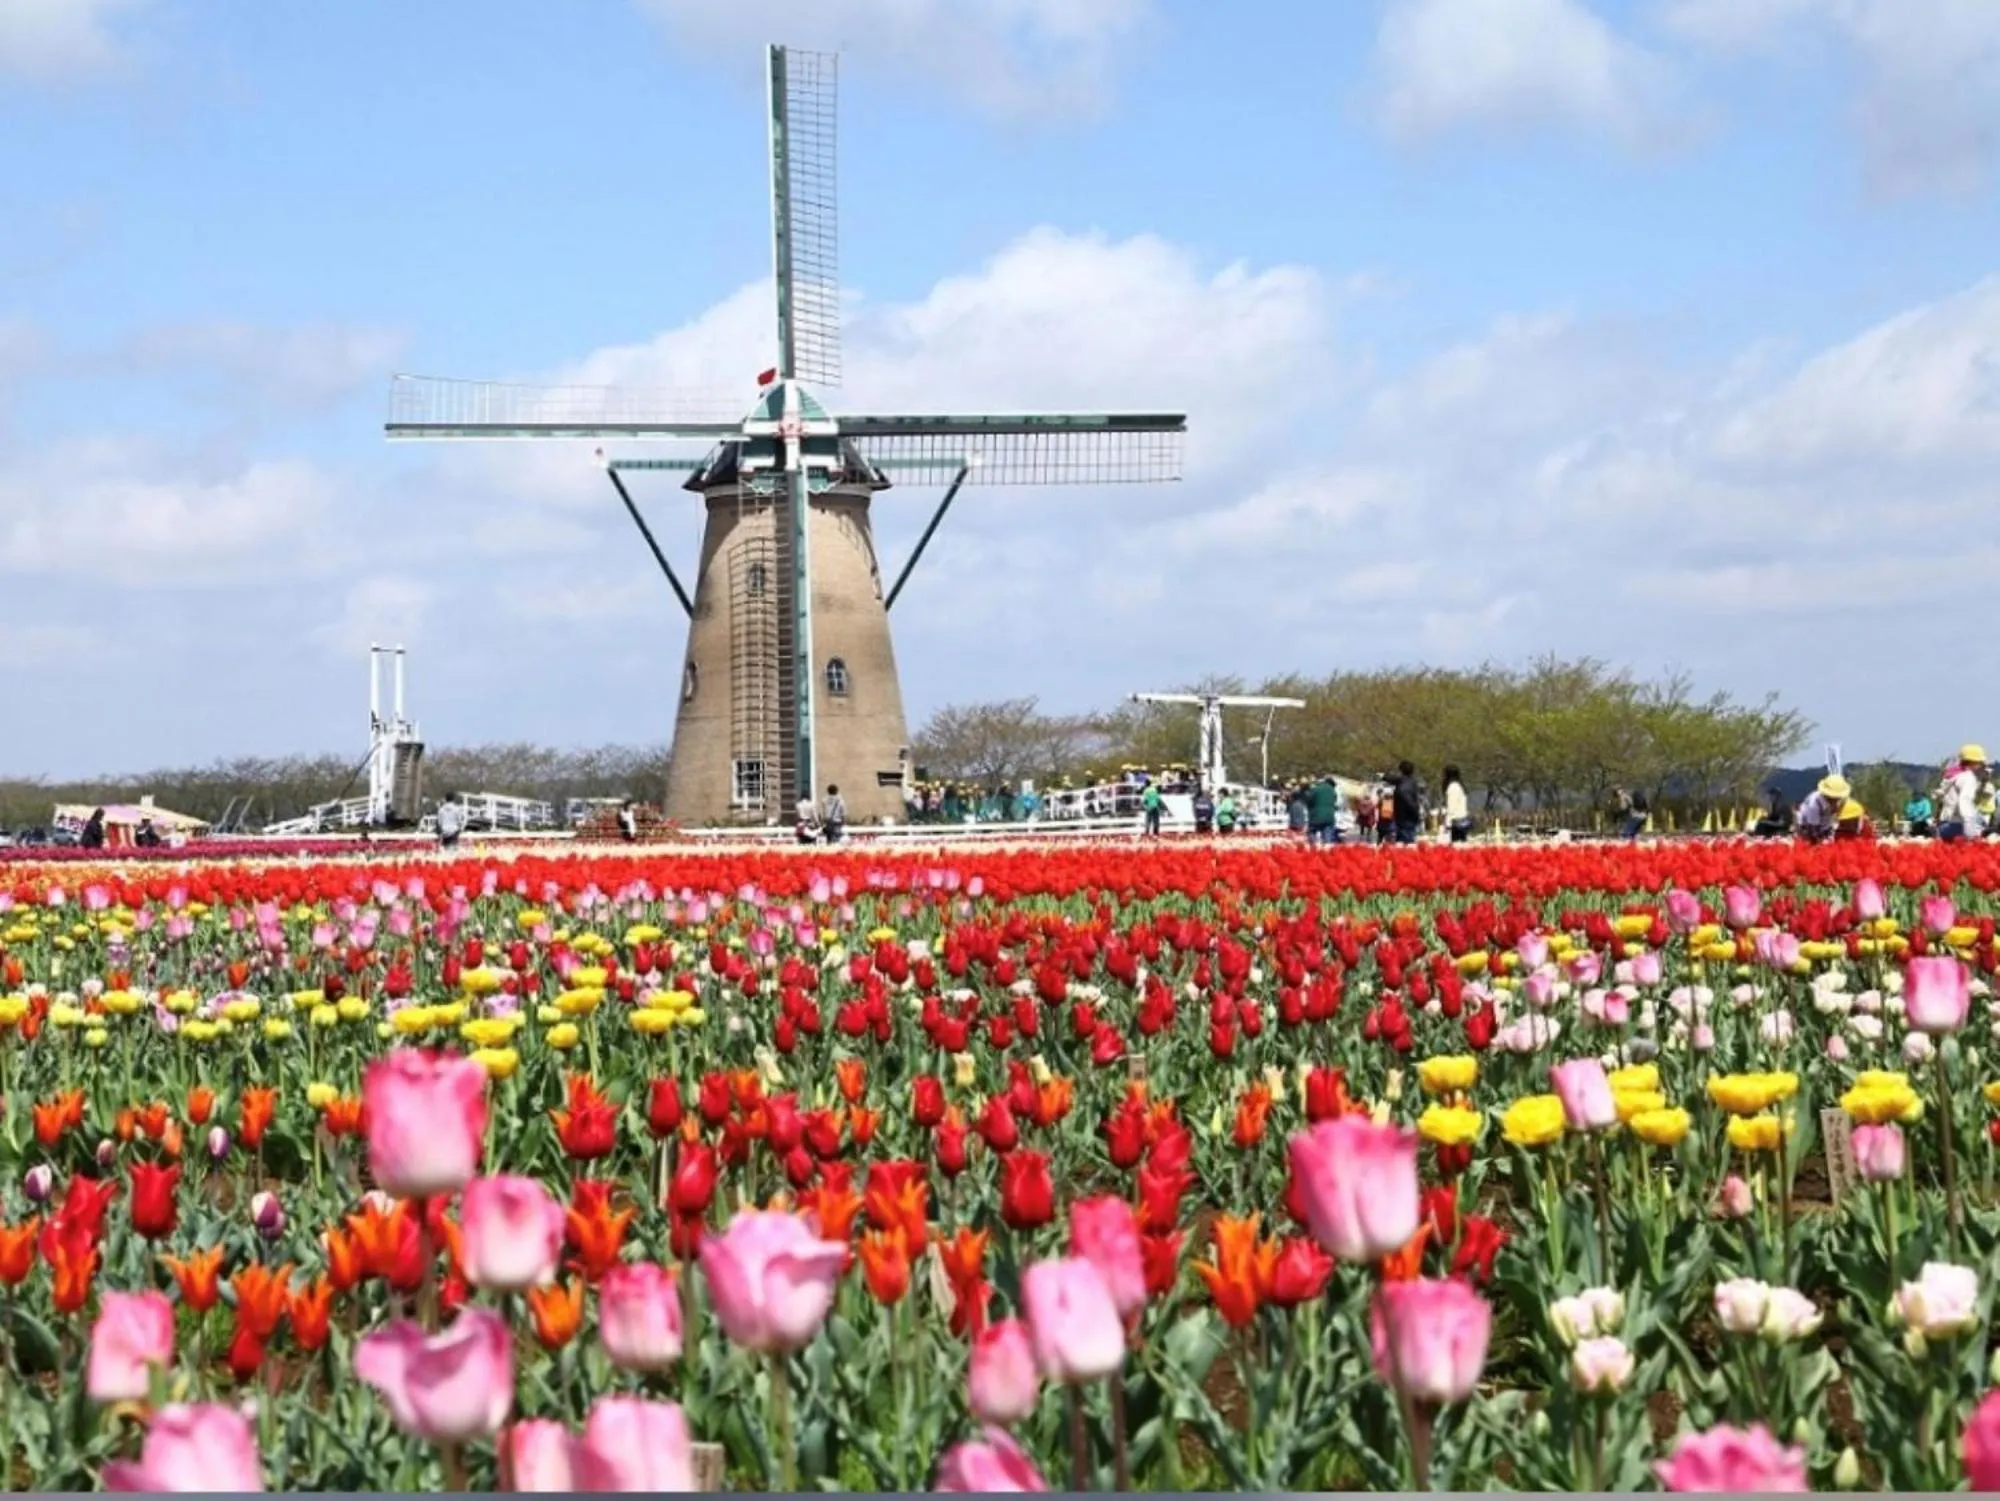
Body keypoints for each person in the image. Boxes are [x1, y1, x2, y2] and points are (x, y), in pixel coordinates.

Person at [1939, 746, 1986, 841]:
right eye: (1980, 762)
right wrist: (1970, 832)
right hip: (1959, 824)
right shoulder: (1968, 778)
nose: (1982, 766)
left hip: (1944, 824)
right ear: (1973, 763)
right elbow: (1965, 802)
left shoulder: (1952, 776)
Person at [1795, 774, 1849, 843]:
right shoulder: (1814, 804)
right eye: (1835, 797)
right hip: (1807, 828)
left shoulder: (1838, 800)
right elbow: (1813, 831)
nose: (1838, 799)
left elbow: (1834, 818)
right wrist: (1823, 842)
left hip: (1825, 825)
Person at [1390, 761, 1423, 845]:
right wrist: (1416, 813)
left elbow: (1408, 800)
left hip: (1404, 818)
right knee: (1406, 842)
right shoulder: (1410, 782)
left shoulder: (1403, 783)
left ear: (1401, 770)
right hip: (1407, 818)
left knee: (1405, 843)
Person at [1307, 774, 1341, 848]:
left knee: (1312, 832)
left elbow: (1309, 801)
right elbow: (1334, 801)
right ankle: (1326, 849)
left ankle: (1313, 848)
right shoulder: (1332, 790)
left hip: (1316, 816)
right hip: (1329, 816)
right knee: (1327, 837)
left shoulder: (1315, 789)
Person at [1442, 765, 1472, 844]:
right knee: (1462, 844)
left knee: (1456, 844)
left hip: (1456, 821)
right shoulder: (1460, 786)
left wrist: (1447, 822)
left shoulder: (1453, 787)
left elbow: (1451, 807)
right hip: (1462, 819)